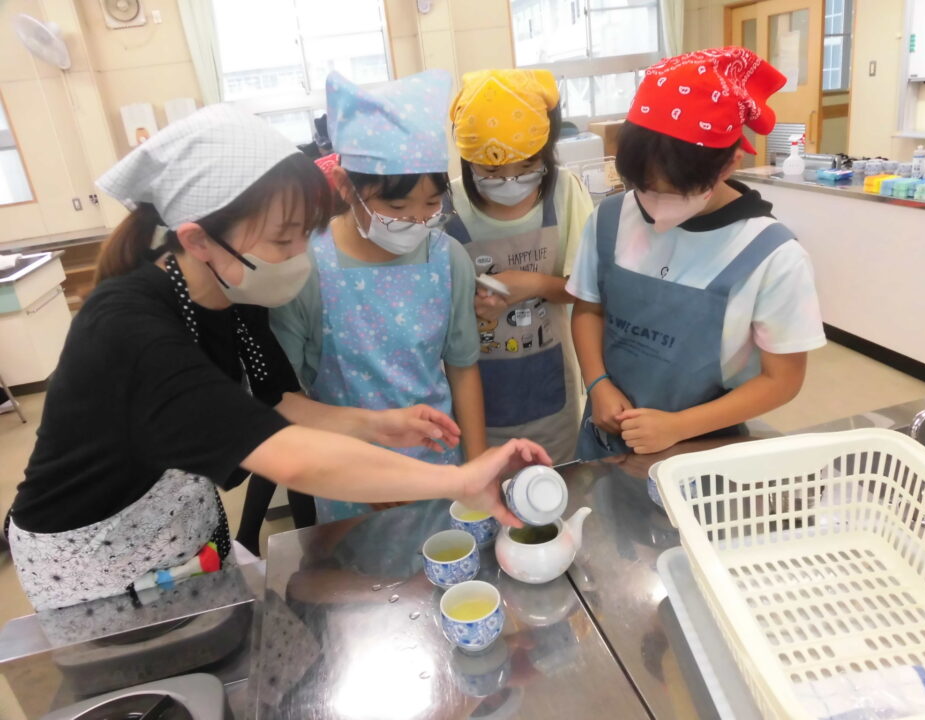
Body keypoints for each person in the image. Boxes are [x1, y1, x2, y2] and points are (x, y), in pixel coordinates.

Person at [6, 105, 546, 611]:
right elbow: (288, 456)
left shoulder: (232, 295)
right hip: (95, 561)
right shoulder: (127, 328)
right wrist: (458, 482)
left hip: (184, 533)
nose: (299, 256)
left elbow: (277, 401)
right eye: (282, 240)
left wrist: (378, 424)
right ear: (197, 240)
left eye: (305, 235)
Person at [567, 47, 826, 460]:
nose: (652, 205)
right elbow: (588, 309)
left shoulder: (773, 257)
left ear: (729, 164)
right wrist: (597, 383)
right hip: (605, 435)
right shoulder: (610, 218)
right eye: (642, 187)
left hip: (704, 449)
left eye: (673, 192)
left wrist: (679, 427)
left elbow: (783, 379)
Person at [271, 70, 486, 524]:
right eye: (396, 208)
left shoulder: (448, 259)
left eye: (431, 205)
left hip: (438, 471)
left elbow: (462, 369)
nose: (417, 221)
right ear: (345, 186)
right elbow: (283, 398)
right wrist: (351, 471)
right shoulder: (306, 269)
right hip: (346, 478)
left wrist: (477, 469)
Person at [445, 70, 594, 463]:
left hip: (551, 390)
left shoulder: (565, 192)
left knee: (555, 480)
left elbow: (590, 288)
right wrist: (470, 305)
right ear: (468, 161)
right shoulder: (447, 207)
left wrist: (533, 285)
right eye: (492, 172)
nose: (510, 182)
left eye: (527, 167)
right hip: (476, 396)